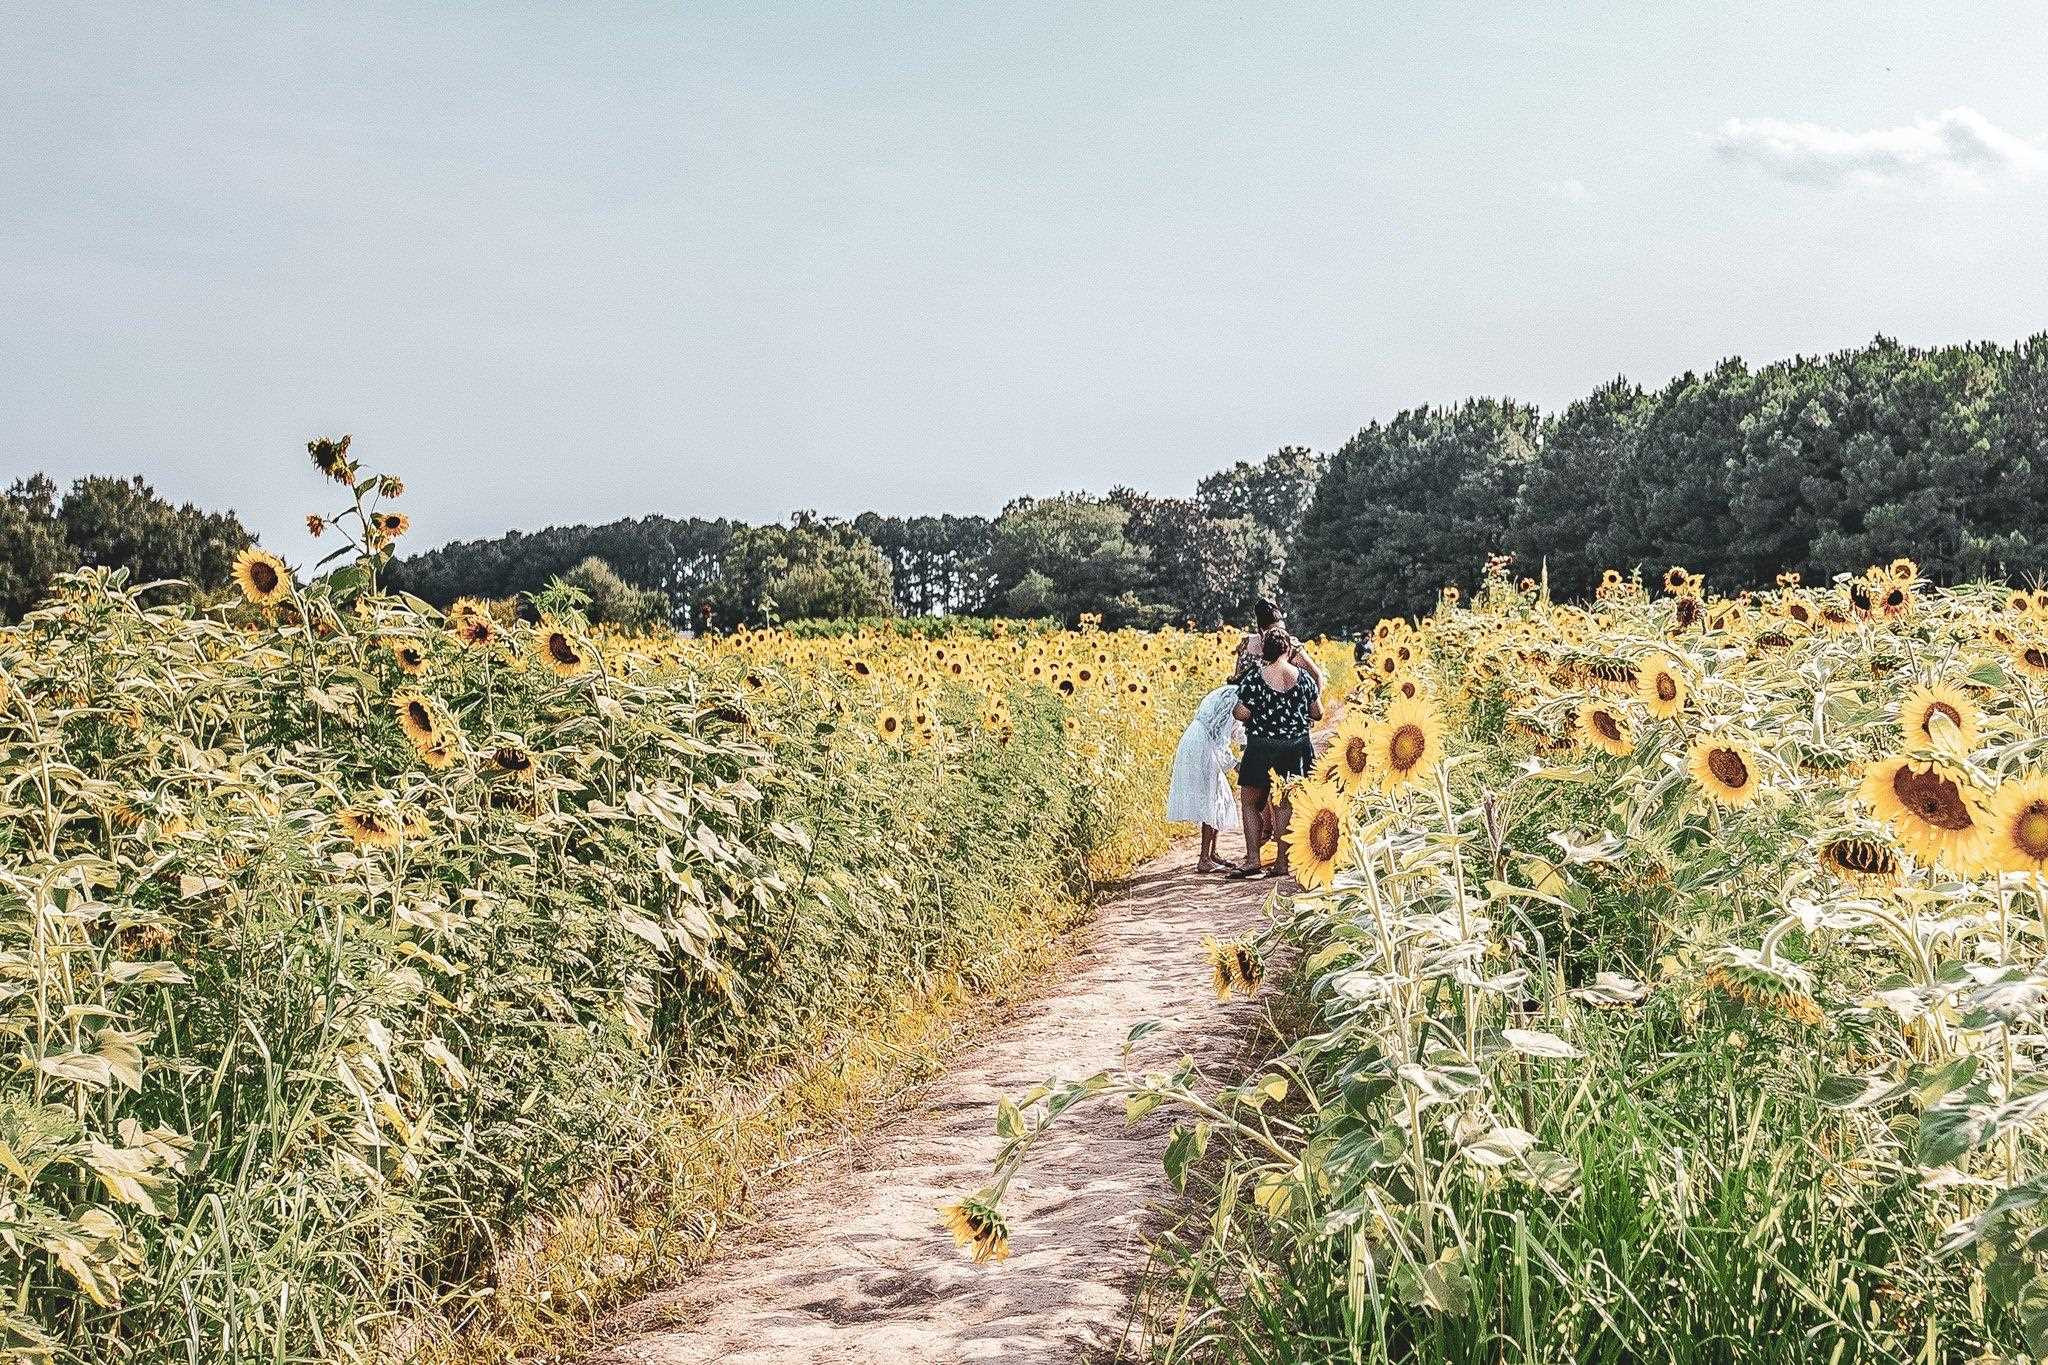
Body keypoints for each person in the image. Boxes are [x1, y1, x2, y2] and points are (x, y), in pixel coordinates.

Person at [1229, 628, 1321, 879]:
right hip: (1295, 748)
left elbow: (1241, 713)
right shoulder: (1303, 678)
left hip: (1261, 747)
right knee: (1284, 804)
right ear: (1288, 650)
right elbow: (1318, 712)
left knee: (1250, 802)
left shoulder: (1255, 678)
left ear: (1265, 652)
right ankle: (1282, 863)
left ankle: (1253, 859)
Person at [1166, 684, 1242, 872]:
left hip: (1202, 741)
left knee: (1220, 795)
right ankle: (1204, 858)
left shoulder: (1234, 694)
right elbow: (1217, 734)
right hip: (1202, 743)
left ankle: (1212, 853)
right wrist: (1235, 764)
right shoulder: (1231, 696)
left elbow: (1237, 731)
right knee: (1211, 797)